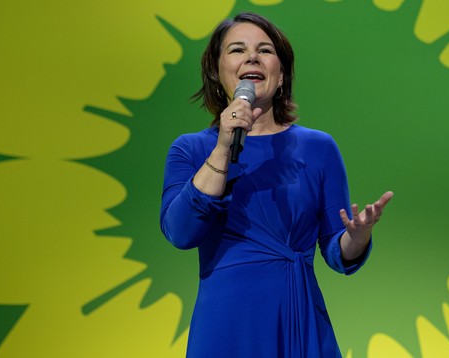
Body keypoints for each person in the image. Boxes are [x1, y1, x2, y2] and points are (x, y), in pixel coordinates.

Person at [160, 12, 393, 357]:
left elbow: (334, 249)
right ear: (217, 72)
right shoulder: (190, 149)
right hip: (226, 324)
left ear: (281, 75)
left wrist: (356, 239)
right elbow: (180, 233)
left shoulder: (319, 147)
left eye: (264, 50)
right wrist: (223, 147)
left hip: (298, 317)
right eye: (237, 50)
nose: (252, 57)